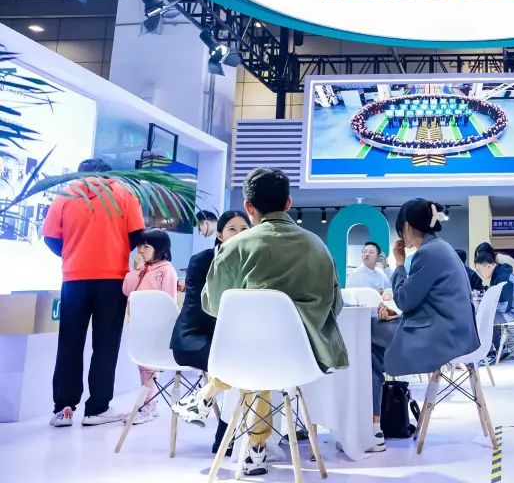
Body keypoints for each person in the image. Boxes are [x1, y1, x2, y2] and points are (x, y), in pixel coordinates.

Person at [173, 168, 348, 477]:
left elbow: (212, 306)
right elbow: (336, 305)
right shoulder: (319, 247)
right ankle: (255, 448)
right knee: (265, 355)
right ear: (289, 202)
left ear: (248, 206)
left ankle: (210, 404)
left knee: (257, 353)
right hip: (307, 360)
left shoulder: (234, 248)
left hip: (247, 358)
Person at [43, 158, 146, 428]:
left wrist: (72, 254)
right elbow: (137, 234)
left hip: (74, 278)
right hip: (112, 279)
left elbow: (50, 237)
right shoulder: (124, 193)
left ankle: (63, 409)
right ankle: (97, 409)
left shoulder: (65, 195)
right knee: (106, 344)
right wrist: (116, 250)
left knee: (69, 342)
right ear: (109, 174)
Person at [171, 209, 250, 456]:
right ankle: (227, 440)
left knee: (250, 362)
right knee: (239, 365)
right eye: (232, 229)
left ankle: (202, 403)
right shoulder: (202, 261)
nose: (239, 234)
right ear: (219, 235)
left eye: (245, 229)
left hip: (228, 341)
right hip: (194, 338)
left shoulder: (252, 262)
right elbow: (201, 308)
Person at [383, 199, 479, 376]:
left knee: (371, 334)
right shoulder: (440, 247)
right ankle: (389, 392)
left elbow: (404, 300)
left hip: (443, 336)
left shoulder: (427, 252)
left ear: (407, 226)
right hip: (457, 332)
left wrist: (399, 264)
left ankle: (379, 393)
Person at [121, 228, 178, 425]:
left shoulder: (166, 270)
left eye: (146, 246)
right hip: (140, 327)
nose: (141, 250)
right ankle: (148, 405)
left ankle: (148, 407)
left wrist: (162, 328)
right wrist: (136, 270)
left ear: (160, 248)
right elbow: (127, 290)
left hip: (156, 329)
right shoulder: (143, 268)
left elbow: (168, 302)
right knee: (143, 367)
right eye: (139, 246)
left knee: (150, 368)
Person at [474, 247, 514, 363]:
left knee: (482, 319)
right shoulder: (500, 274)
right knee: (482, 317)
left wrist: (486, 306)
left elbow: (504, 306)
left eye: (479, 270)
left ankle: (491, 352)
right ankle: (498, 349)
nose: (479, 274)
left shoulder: (503, 278)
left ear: (488, 266)